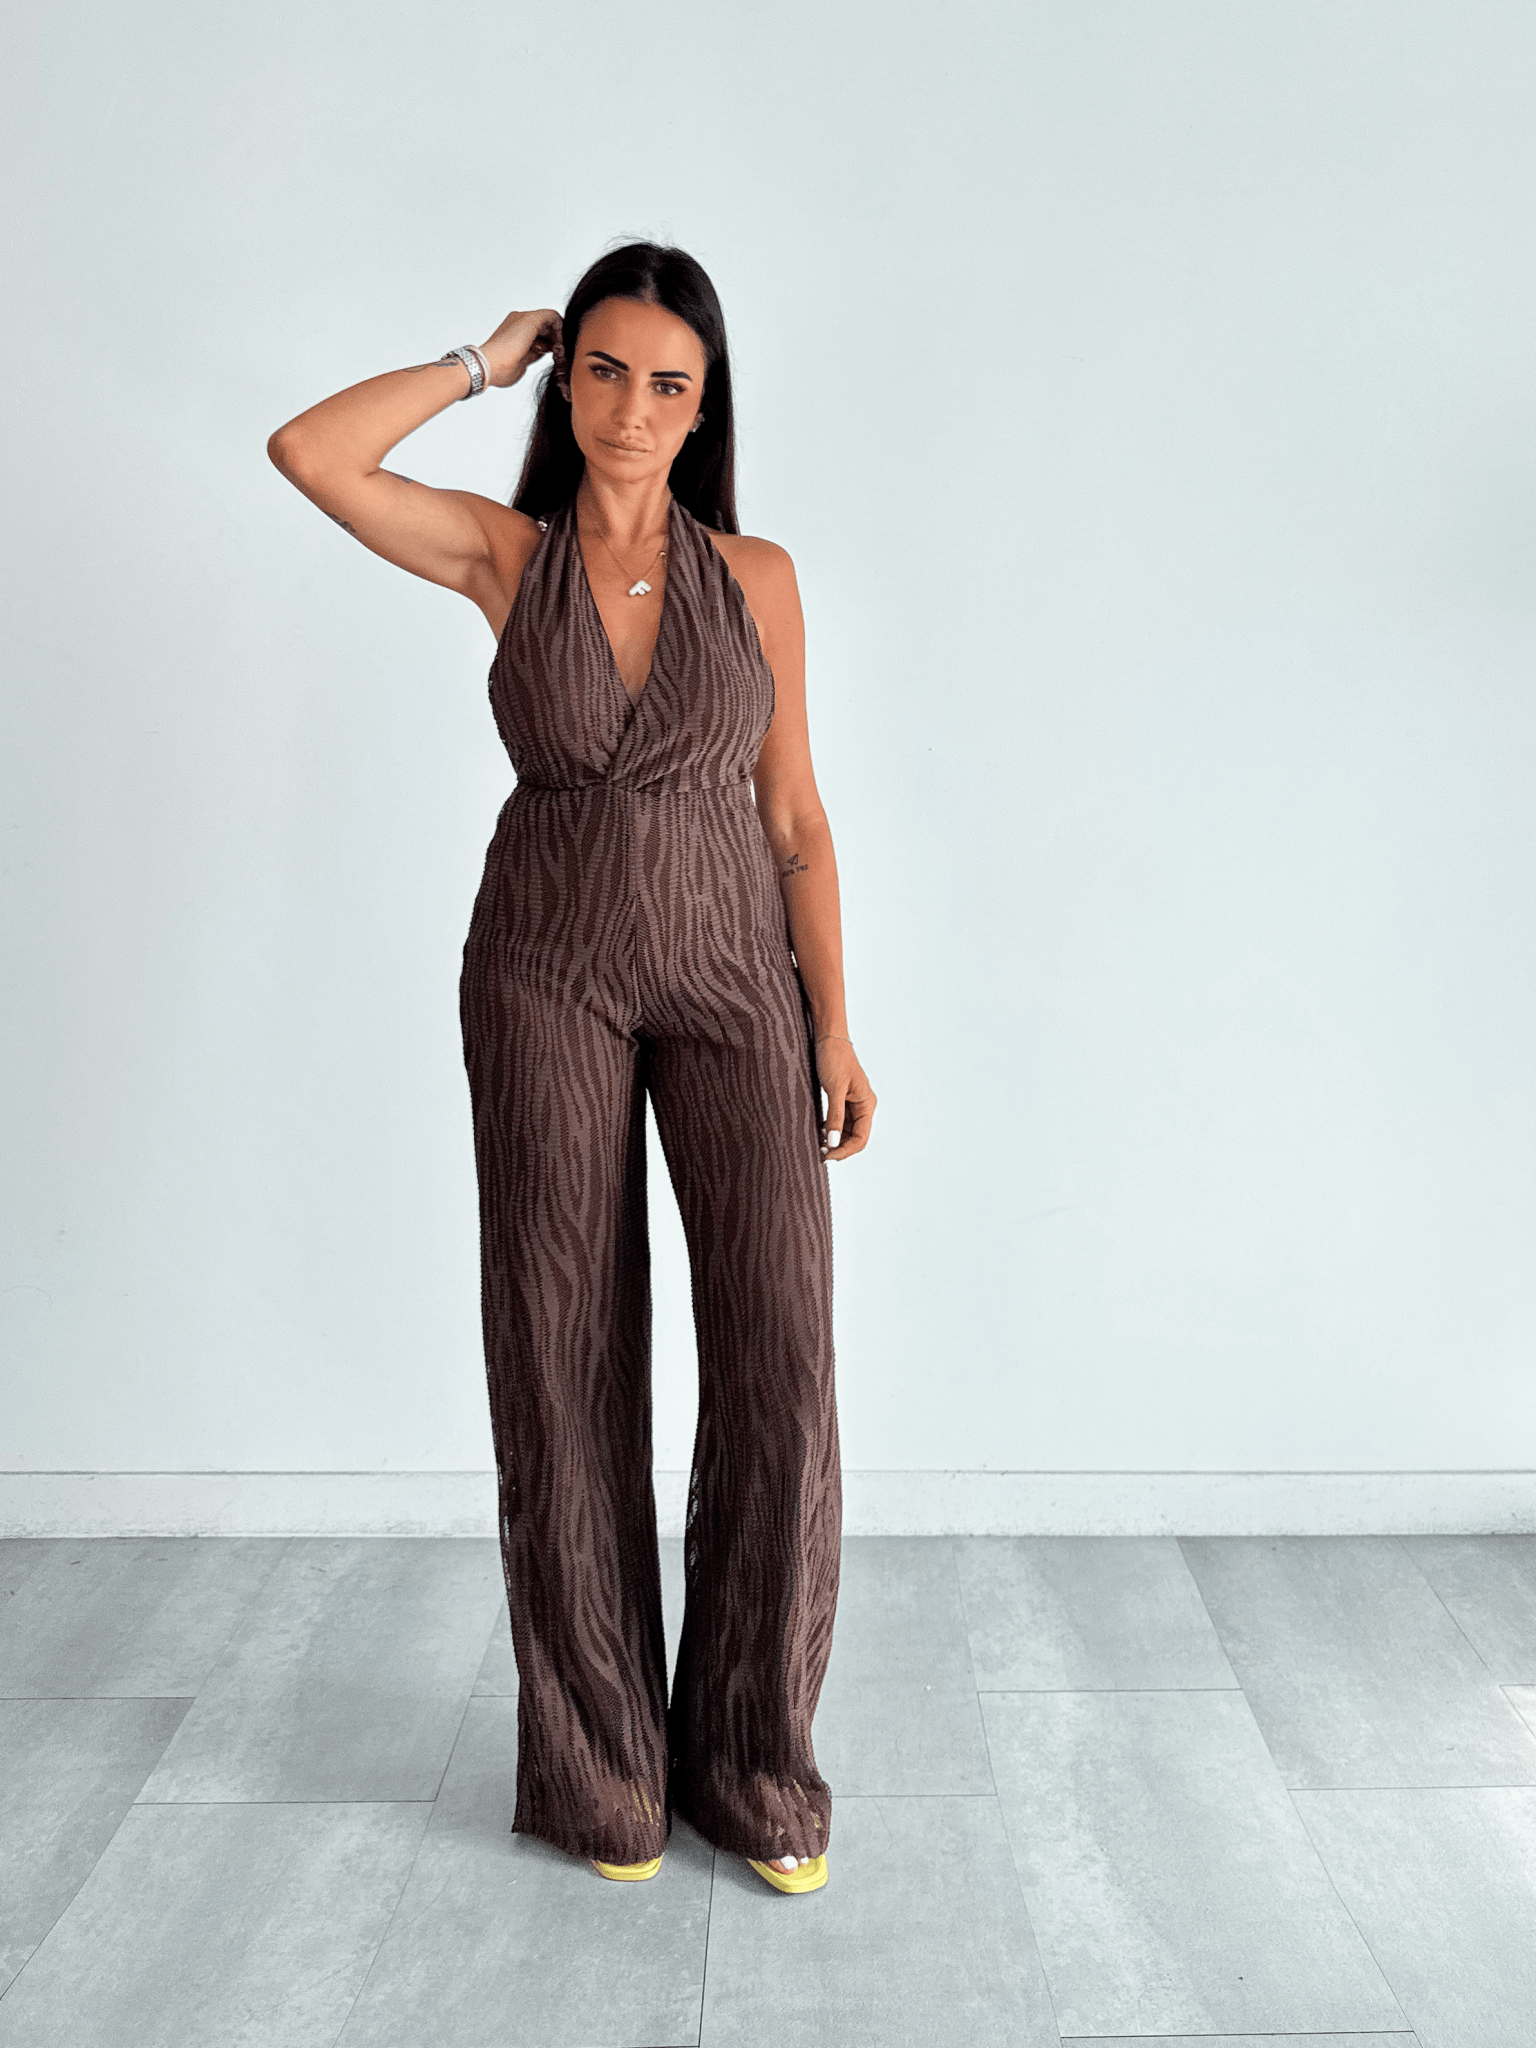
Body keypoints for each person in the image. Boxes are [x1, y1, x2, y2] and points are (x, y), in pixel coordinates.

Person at [267, 241, 876, 1896]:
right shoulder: (505, 553)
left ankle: (751, 1762)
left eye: (670, 383)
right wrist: (480, 360)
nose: (632, 408)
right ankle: (604, 1770)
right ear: (569, 378)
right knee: (559, 1345)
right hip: (544, 970)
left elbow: (794, 817)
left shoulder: (757, 576)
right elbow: (311, 453)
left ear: (706, 406)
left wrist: (832, 1020)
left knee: (781, 1353)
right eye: (603, 369)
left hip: (734, 974)